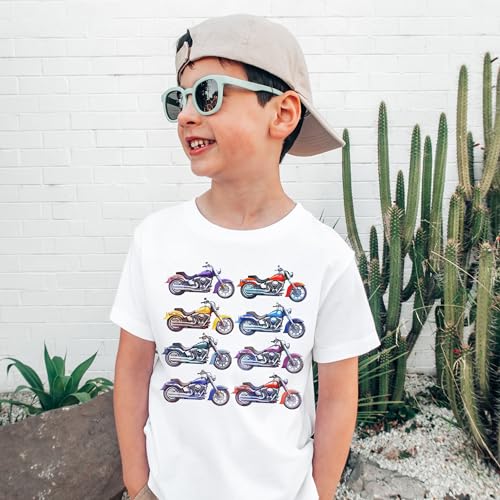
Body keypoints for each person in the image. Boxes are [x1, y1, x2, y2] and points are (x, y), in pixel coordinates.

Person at [110, 13, 381, 500]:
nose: (186, 115)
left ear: (282, 114)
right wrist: (137, 484)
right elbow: (132, 370)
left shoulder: (325, 256)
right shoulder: (154, 240)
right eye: (179, 99)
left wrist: (319, 493)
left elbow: (339, 395)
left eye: (208, 95)